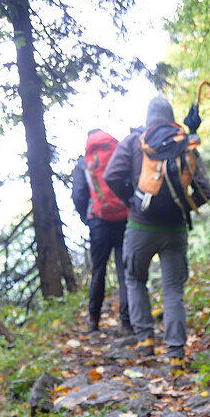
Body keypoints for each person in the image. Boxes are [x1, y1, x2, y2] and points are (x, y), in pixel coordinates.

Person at [103, 97, 210, 367]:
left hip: (141, 225)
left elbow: (111, 176)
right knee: (173, 288)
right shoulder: (182, 143)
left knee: (135, 278)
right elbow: (204, 190)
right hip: (175, 229)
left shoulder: (134, 141)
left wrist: (133, 200)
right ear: (171, 117)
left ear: (148, 117)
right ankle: (175, 354)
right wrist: (184, 208)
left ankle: (145, 340)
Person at [72, 130, 131, 334]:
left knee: (99, 271)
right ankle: (127, 322)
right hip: (124, 218)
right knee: (125, 273)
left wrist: (87, 218)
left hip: (99, 222)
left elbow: (79, 194)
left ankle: (93, 321)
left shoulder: (84, 162)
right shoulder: (117, 153)